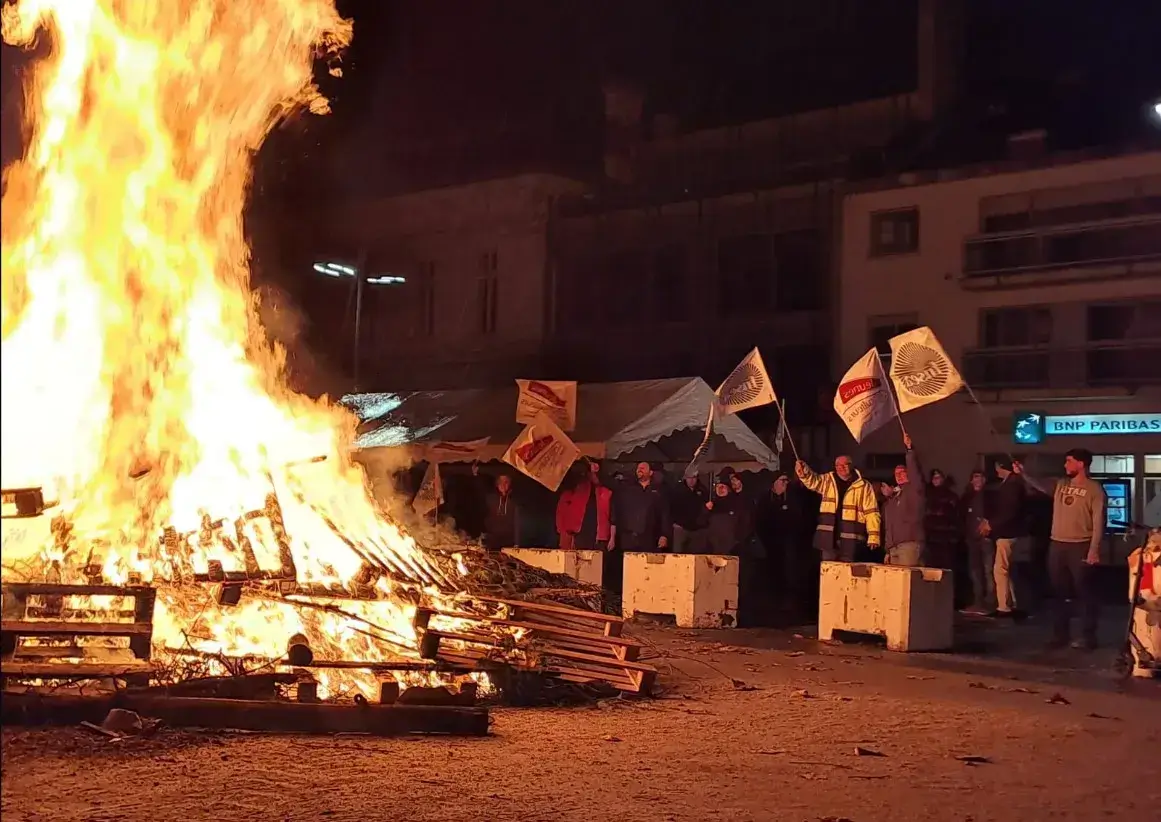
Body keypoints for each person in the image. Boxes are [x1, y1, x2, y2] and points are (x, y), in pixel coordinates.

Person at [1016, 450, 1106, 649]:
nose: (1065, 465)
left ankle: (1088, 636)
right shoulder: (1060, 484)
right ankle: (1060, 635)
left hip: (1080, 545)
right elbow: (1038, 484)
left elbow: (1099, 521)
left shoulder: (1094, 489)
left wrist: (1094, 549)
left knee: (1084, 592)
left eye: (1069, 461)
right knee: (1059, 592)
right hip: (1057, 544)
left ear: (1081, 464)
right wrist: (1024, 474)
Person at [795, 455, 881, 562]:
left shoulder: (864, 486)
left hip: (852, 541)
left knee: (848, 575)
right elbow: (813, 481)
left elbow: (872, 512)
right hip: (828, 539)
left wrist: (874, 536)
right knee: (829, 573)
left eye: (845, 464)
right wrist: (804, 472)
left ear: (852, 465)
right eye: (838, 465)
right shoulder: (827, 480)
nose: (841, 467)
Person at [979, 458, 1031, 620]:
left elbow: (1009, 511)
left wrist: (991, 524)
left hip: (1008, 533)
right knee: (1005, 569)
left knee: (1000, 570)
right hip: (1009, 532)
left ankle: (1004, 607)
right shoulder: (1012, 484)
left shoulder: (1012, 485)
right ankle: (1010, 603)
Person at [756, 472, 809, 615]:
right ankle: (770, 601)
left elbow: (798, 517)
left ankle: (786, 603)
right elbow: (760, 519)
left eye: (787, 481)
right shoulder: (765, 498)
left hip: (787, 541)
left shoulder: (792, 498)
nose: (785, 484)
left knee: (787, 571)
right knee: (770, 570)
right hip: (769, 540)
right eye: (782, 480)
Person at [880, 434, 925, 567]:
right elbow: (888, 525)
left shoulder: (914, 489)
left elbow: (915, 471)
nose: (898, 476)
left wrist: (909, 450)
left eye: (902, 473)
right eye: (896, 474)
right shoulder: (892, 498)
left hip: (909, 545)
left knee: (907, 582)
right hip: (893, 548)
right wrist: (887, 550)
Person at [555, 460, 615, 552]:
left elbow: (613, 517)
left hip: (599, 536)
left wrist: (612, 537)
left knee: (598, 563)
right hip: (581, 533)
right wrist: (586, 466)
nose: (594, 474)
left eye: (596, 473)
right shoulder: (580, 487)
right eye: (591, 472)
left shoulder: (605, 491)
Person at [614, 462, 671, 554]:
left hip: (650, 538)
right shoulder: (628, 489)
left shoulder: (658, 491)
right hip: (629, 538)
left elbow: (664, 514)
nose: (639, 470)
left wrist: (664, 535)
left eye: (643, 468)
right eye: (638, 468)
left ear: (651, 472)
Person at [960, 470, 995, 613]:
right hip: (972, 539)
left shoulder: (990, 496)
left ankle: (991, 602)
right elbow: (961, 515)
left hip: (986, 538)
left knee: (989, 570)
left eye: (979, 477)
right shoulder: (967, 497)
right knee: (975, 571)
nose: (977, 480)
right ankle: (978, 601)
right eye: (974, 477)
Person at [924, 468, 961, 571]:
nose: (936, 480)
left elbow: (957, 517)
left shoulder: (952, 497)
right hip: (931, 539)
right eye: (934, 478)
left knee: (946, 569)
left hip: (946, 540)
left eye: (938, 477)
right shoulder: (927, 496)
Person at [670, 473, 709, 553]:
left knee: (696, 556)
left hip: (697, 529)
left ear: (697, 478)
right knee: (678, 555)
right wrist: (673, 522)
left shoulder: (702, 490)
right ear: (685, 478)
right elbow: (670, 507)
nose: (691, 480)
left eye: (693, 477)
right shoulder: (677, 490)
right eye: (689, 477)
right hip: (681, 528)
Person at [482, 473, 519, 552]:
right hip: (494, 540)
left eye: (506, 482)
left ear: (510, 483)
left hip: (510, 541)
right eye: (500, 482)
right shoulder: (491, 499)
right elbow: (486, 516)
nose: (503, 485)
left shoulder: (515, 500)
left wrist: (517, 541)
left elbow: (518, 522)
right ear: (497, 484)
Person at [705, 478, 742, 554]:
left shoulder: (736, 503)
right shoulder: (711, 504)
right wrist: (705, 510)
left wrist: (737, 540)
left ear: (728, 489)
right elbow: (701, 522)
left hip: (731, 547)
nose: (720, 489)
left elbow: (743, 522)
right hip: (714, 547)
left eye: (723, 486)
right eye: (718, 486)